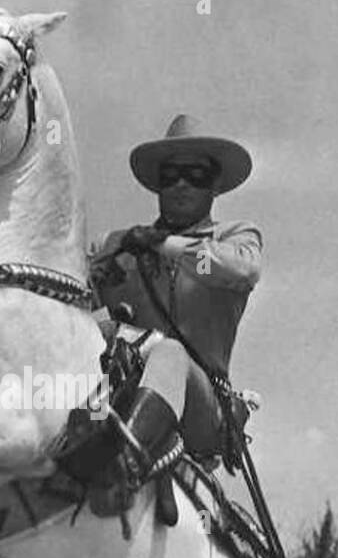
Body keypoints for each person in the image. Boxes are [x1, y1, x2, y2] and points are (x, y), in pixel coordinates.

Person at [88, 113, 262, 523]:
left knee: (169, 354)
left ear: (214, 186)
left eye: (195, 174)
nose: (182, 183)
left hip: (200, 409)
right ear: (159, 186)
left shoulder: (234, 238)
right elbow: (74, 312)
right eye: (171, 175)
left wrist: (165, 245)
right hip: (118, 391)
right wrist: (96, 275)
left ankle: (124, 468)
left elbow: (240, 271)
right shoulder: (118, 245)